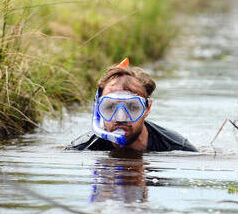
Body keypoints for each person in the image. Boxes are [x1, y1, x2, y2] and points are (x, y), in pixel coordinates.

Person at [69, 60, 198, 152]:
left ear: (147, 109)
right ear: (98, 109)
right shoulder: (82, 148)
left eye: (132, 107)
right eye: (110, 107)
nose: (120, 118)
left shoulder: (178, 148)